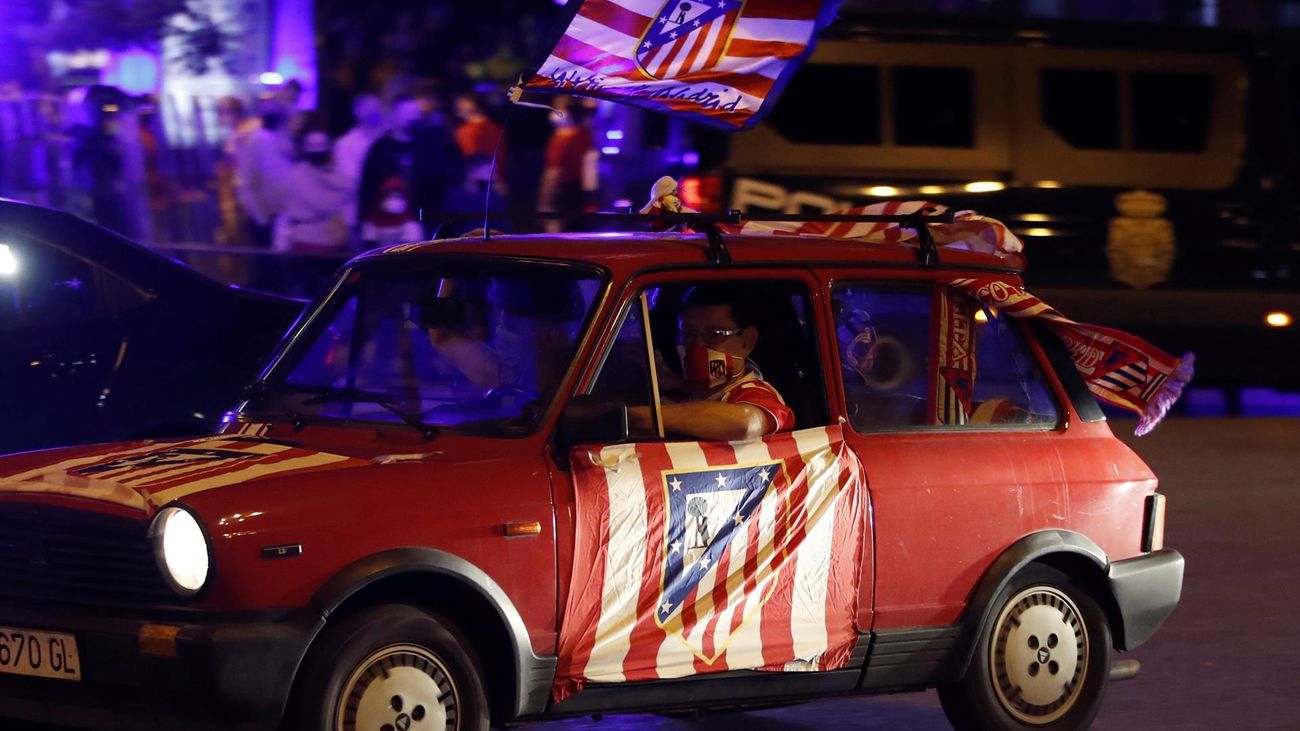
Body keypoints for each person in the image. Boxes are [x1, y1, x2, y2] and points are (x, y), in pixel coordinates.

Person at [630, 284, 795, 441]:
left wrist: (639, 417)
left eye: (714, 334)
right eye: (689, 333)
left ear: (747, 341)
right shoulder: (677, 389)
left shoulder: (756, 392)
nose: (698, 345)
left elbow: (745, 423)